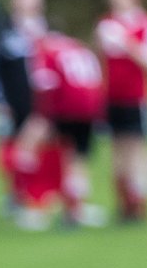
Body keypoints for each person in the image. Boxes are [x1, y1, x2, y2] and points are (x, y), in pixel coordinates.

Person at [17, 31, 107, 230]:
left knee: (28, 146)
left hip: (64, 106)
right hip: (89, 109)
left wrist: (42, 116)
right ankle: (76, 208)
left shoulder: (47, 51)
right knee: (77, 159)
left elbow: (44, 83)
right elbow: (97, 80)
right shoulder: (81, 49)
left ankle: (35, 203)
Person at [95, 0, 147, 223]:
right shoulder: (106, 24)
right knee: (117, 149)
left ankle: (139, 202)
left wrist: (129, 44)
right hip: (112, 96)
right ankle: (123, 201)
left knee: (138, 148)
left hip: (138, 96)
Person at [0, 0, 47, 219]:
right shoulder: (1, 31)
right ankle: (16, 194)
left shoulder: (46, 29)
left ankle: (37, 194)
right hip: (11, 99)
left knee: (40, 147)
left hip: (41, 99)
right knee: (10, 147)